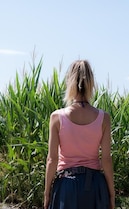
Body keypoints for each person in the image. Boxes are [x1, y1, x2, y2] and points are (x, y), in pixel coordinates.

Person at [44, 60, 115, 209]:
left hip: (66, 185)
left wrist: (47, 193)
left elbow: (52, 159)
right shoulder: (104, 118)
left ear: (69, 81)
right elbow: (106, 159)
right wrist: (111, 194)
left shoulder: (57, 117)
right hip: (95, 186)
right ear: (91, 82)